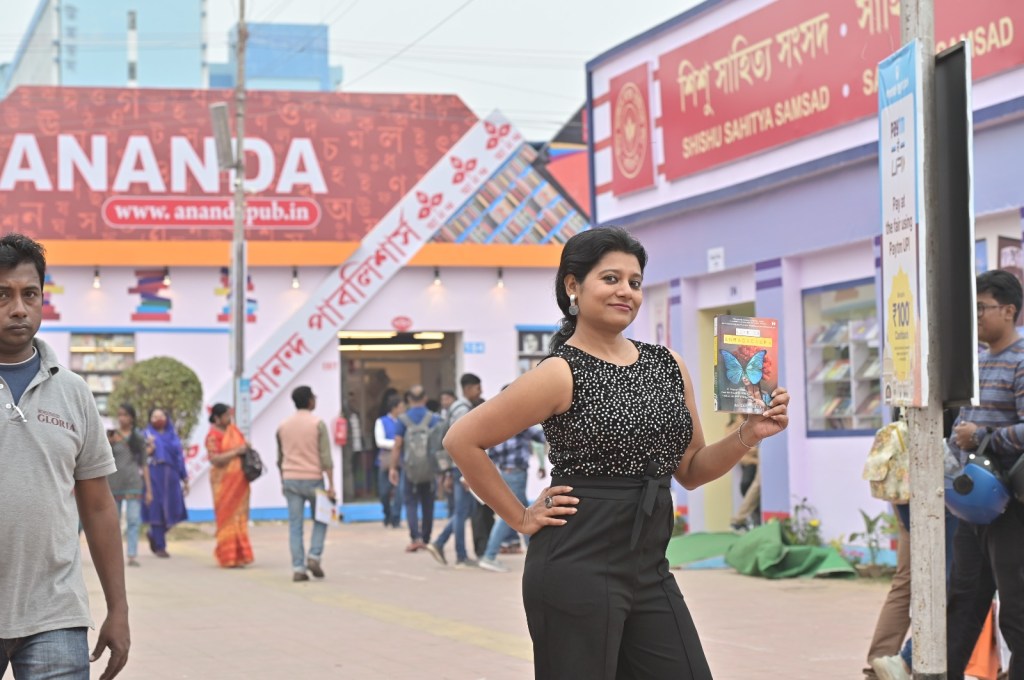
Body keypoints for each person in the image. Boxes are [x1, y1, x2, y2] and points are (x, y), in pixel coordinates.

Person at [444, 227, 789, 679]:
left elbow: (691, 470)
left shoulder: (667, 364)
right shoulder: (559, 372)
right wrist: (521, 518)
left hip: (649, 566)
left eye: (634, 282)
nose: (625, 291)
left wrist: (750, 433)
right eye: (610, 279)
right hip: (576, 563)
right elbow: (462, 440)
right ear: (573, 285)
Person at [0, 233, 130, 679]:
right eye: (3, 295)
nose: (19, 308)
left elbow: (97, 506)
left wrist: (118, 608)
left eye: (29, 294)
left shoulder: (73, 392)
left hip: (56, 615)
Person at [942, 270, 1024, 680]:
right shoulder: (977, 362)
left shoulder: (1021, 361)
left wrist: (984, 437)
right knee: (964, 597)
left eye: (981, 309)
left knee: (1016, 607)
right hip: (972, 505)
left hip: (1011, 506)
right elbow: (966, 422)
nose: (974, 318)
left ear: (1009, 311)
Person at [277, 385, 335, 582]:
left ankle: (298, 567)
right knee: (322, 518)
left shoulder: (283, 425)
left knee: (295, 524)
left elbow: (280, 457)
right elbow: (325, 456)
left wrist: (282, 480)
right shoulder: (317, 423)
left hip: (290, 478)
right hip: (313, 478)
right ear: (310, 401)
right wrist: (332, 485)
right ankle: (314, 555)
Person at [426, 373, 483, 567]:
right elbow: (459, 443)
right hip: (461, 468)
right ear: (467, 389)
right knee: (461, 511)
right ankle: (460, 555)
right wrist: (463, 472)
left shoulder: (458, 408)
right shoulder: (462, 410)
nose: (480, 392)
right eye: (477, 388)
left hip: (458, 468)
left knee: (464, 510)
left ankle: (440, 543)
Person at [477, 421, 547, 572]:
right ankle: (489, 555)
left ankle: (534, 554)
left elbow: (492, 455)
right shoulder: (519, 424)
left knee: (522, 513)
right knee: (513, 515)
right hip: (517, 474)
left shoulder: (497, 429)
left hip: (504, 473)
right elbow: (541, 437)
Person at [388, 385, 443, 552]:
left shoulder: (403, 420)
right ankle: (426, 539)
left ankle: (415, 538)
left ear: (408, 400)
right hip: (430, 469)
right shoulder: (434, 419)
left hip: (409, 469)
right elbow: (440, 446)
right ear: (425, 398)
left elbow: (397, 445)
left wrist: (393, 468)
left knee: (411, 503)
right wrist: (442, 471)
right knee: (428, 504)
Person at [205, 403, 254, 569]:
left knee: (239, 517)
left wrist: (245, 448)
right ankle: (227, 556)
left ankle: (241, 556)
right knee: (226, 518)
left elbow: (245, 446)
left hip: (240, 482)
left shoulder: (234, 431)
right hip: (223, 483)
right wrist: (236, 452)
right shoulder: (212, 436)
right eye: (226, 416)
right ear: (217, 418)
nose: (229, 419)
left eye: (229, 415)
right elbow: (214, 459)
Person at [107, 403, 153, 567]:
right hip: (114, 483)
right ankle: (114, 555)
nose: (122, 418)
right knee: (114, 522)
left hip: (133, 483)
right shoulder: (112, 437)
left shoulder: (138, 437)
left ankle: (132, 555)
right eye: (119, 415)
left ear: (132, 418)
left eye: (125, 415)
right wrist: (109, 443)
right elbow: (102, 460)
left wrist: (149, 490)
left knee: (134, 520)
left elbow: (144, 464)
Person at [142, 407, 189, 558]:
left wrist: (185, 478)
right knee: (157, 508)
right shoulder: (145, 435)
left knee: (174, 508)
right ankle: (160, 546)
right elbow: (140, 458)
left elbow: (179, 457)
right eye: (154, 417)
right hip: (154, 474)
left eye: (161, 416)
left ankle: (154, 534)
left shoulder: (173, 436)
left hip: (172, 476)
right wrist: (149, 447)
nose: (158, 419)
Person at [375, 393, 404, 528]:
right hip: (386, 460)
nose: (403, 408)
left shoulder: (403, 421)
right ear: (394, 408)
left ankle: (395, 518)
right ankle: (387, 513)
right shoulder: (381, 421)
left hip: (402, 460)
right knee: (384, 492)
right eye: (401, 406)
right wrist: (396, 444)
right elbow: (379, 441)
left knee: (400, 491)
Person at [728, 412, 761, 531]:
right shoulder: (737, 422)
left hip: (757, 460)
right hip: (749, 461)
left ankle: (741, 519)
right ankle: (744, 518)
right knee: (747, 486)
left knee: (753, 487)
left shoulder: (757, 418)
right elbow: (733, 445)